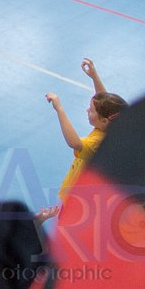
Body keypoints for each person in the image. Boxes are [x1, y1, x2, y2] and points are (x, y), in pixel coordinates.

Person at [43, 59, 127, 206]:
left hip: (78, 196)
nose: (87, 110)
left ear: (104, 120)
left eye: (91, 111)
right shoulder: (111, 127)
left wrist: (59, 109)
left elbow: (74, 143)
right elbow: (104, 102)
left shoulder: (96, 142)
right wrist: (94, 76)